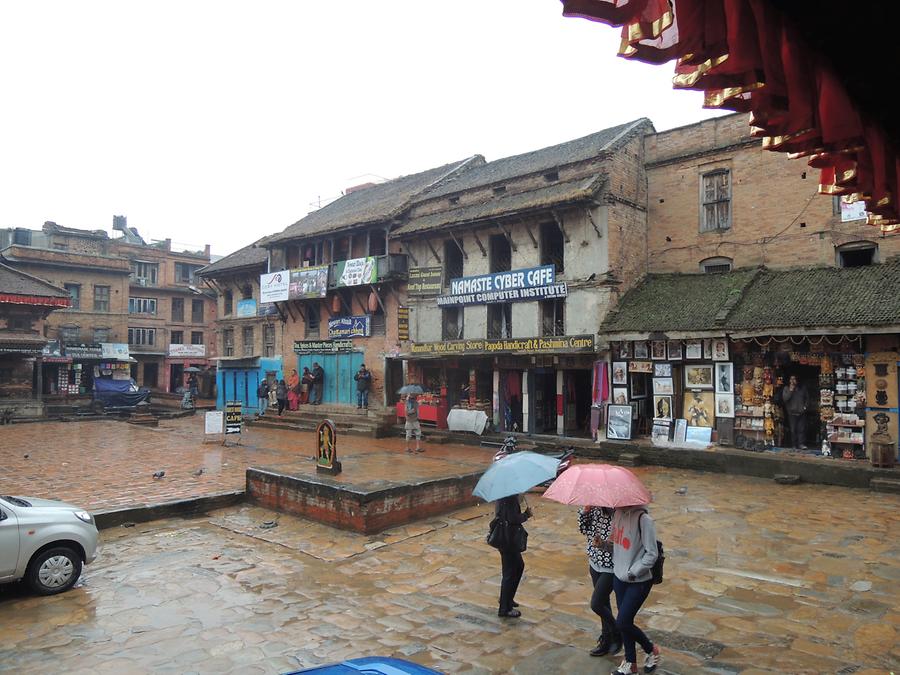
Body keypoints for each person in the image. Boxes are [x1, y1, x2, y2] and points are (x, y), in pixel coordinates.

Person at [610, 506, 661, 675]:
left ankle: (650, 649)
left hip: (638, 580)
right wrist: (603, 544)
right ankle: (631, 664)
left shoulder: (644, 520)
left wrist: (633, 572)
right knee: (626, 623)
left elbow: (652, 554)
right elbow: (617, 544)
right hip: (619, 578)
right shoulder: (617, 514)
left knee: (622, 622)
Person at [578, 507, 621, 657]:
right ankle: (606, 639)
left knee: (596, 604)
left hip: (610, 565)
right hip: (594, 562)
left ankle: (617, 632)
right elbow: (582, 528)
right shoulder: (593, 509)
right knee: (603, 603)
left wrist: (603, 544)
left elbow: (621, 545)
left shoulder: (618, 514)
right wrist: (585, 510)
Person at [495, 493, 532, 618]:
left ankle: (507, 598)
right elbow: (512, 518)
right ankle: (504, 608)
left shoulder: (504, 496)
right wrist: (526, 515)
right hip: (508, 539)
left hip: (505, 538)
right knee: (511, 571)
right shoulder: (509, 497)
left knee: (515, 568)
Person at [781, 374, 809, 449]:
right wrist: (791, 390)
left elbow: (807, 398)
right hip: (791, 413)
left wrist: (805, 407)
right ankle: (794, 445)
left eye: (794, 379)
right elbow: (785, 399)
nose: (793, 381)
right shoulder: (786, 388)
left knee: (801, 429)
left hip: (801, 412)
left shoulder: (802, 388)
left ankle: (801, 444)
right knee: (793, 430)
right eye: (791, 379)